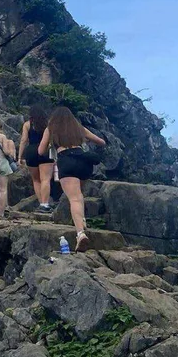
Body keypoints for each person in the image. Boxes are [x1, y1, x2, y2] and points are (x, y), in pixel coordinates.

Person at [39, 107, 107, 252]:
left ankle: (80, 234)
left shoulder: (51, 128)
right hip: (83, 162)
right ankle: (82, 220)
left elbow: (40, 151)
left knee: (74, 198)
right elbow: (101, 142)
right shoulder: (78, 127)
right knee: (79, 194)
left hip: (66, 160)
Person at [18, 104, 55, 211]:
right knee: (46, 179)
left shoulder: (27, 124)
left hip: (31, 151)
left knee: (36, 180)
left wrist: (20, 156)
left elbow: (24, 140)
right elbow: (52, 140)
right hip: (45, 152)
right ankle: (45, 204)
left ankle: (41, 204)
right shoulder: (48, 124)